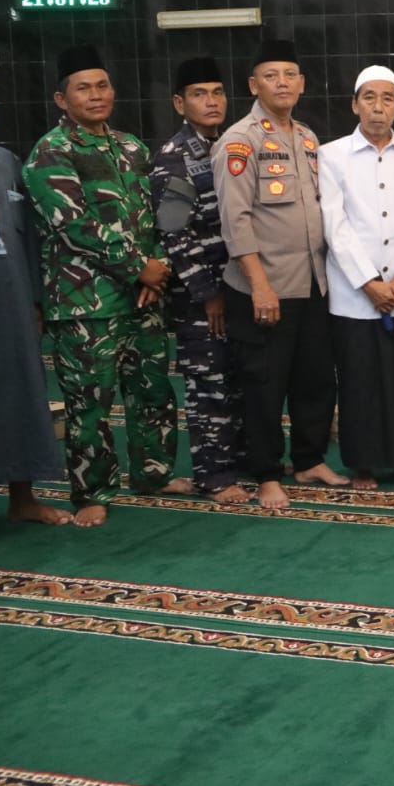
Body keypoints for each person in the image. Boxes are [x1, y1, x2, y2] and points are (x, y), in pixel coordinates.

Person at [23, 44, 184, 526]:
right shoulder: (51, 152)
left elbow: (157, 215)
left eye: (102, 85)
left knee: (152, 390)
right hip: (85, 304)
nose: (96, 95)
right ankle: (92, 490)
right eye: (83, 88)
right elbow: (75, 225)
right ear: (62, 98)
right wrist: (139, 268)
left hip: (142, 297)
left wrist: (156, 267)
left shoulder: (131, 147)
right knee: (90, 401)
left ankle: (153, 473)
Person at [214, 39, 344, 510]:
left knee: (315, 380)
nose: (282, 83)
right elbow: (235, 220)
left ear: (302, 83)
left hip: (312, 283)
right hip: (264, 287)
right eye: (271, 76)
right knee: (264, 385)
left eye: (290, 75)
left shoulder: (307, 138)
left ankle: (309, 459)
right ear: (254, 85)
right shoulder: (240, 141)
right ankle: (267, 473)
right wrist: (259, 285)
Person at [0, 66, 70, 551]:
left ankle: (23, 498)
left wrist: (37, 302)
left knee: (22, 395)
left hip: (14, 304)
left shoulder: (8, 163)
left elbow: (30, 239)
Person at [319, 65, 394, 490]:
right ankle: (363, 463)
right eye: (369, 97)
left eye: (387, 98)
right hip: (353, 295)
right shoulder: (331, 156)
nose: (378, 107)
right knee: (359, 381)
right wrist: (369, 283)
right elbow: (335, 226)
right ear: (354, 105)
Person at [149, 55, 247, 503]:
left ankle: (240, 460)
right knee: (209, 384)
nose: (211, 101)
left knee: (236, 378)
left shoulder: (229, 145)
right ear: (179, 103)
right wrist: (207, 294)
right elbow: (174, 234)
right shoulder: (175, 159)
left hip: (235, 286)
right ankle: (214, 476)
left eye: (217, 92)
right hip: (200, 297)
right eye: (199, 94)